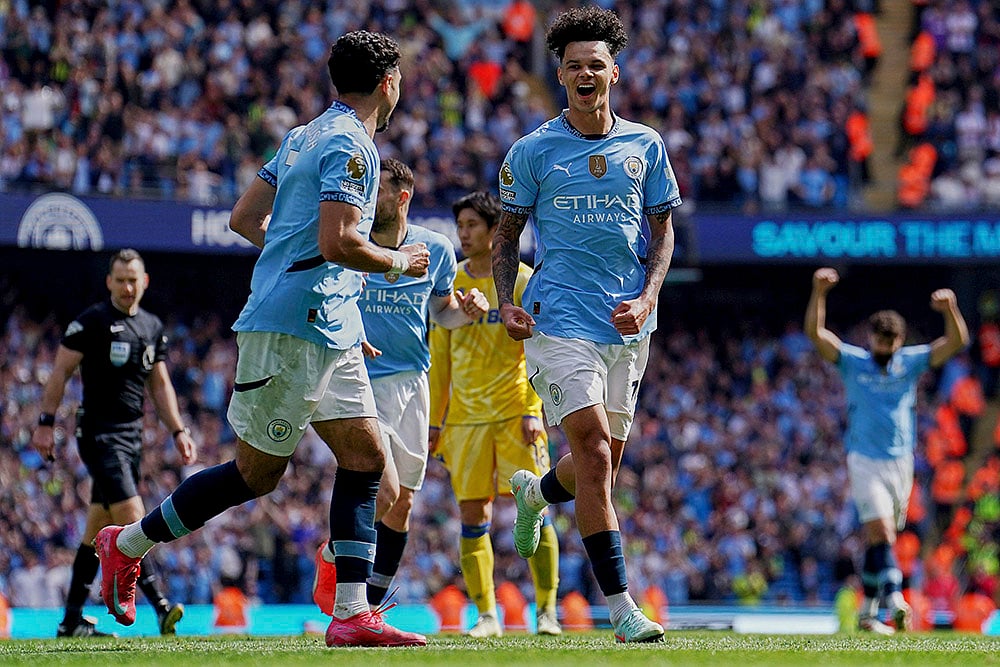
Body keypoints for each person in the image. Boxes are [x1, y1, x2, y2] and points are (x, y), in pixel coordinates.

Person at [93, 31, 430, 648]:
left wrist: (322, 283)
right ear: (390, 83)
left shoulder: (305, 134)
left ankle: (352, 613)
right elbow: (338, 243)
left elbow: (245, 218)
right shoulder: (354, 147)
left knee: (366, 456)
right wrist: (397, 263)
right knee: (255, 476)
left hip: (330, 327)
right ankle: (127, 542)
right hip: (291, 331)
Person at [492, 5, 681, 644]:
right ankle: (622, 609)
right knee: (596, 451)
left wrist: (650, 295)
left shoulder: (646, 146)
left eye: (595, 64)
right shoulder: (532, 151)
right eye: (574, 65)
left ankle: (537, 493)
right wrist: (506, 300)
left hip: (627, 324)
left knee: (599, 463)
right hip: (558, 318)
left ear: (614, 73)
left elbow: (663, 232)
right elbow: (507, 234)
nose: (585, 73)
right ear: (561, 73)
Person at [312, 157, 489, 613]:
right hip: (362, 381)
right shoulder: (352, 246)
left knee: (403, 503)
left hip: (414, 383)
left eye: (378, 190)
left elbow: (442, 311)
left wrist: (464, 312)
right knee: (382, 488)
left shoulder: (436, 249)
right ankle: (335, 558)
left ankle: (367, 607)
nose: (368, 197)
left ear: (402, 197)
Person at [31, 248, 197, 637]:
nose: (126, 286)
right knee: (134, 518)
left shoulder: (152, 327)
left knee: (96, 530)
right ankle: (160, 605)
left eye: (132, 279)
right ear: (109, 282)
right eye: (119, 279)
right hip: (99, 436)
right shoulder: (90, 322)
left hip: (132, 437)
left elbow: (160, 384)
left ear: (145, 282)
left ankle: (71, 621)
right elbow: (60, 372)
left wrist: (178, 430)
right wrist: (44, 423)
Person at [805, 267, 969, 634]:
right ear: (871, 338)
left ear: (900, 341)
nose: (885, 349)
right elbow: (816, 334)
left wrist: (951, 309)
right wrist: (819, 293)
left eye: (891, 344)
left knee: (881, 538)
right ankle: (895, 597)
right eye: (881, 342)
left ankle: (867, 612)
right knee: (881, 529)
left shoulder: (909, 362)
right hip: (864, 459)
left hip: (901, 460)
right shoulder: (853, 362)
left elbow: (956, 343)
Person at [428, 191, 562, 638]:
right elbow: (440, 361)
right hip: (465, 420)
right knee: (471, 515)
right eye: (459, 226)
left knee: (535, 507)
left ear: (493, 230)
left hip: (514, 413)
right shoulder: (449, 285)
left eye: (471, 225)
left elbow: (538, 351)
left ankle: (546, 611)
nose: (463, 234)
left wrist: (532, 408)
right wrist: (434, 421)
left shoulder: (521, 281)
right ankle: (486, 615)